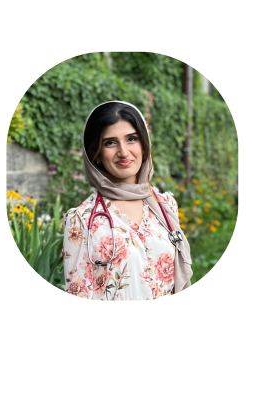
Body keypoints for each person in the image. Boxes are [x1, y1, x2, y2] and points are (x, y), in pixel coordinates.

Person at [63, 101, 192, 300]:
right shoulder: (81, 220)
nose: (123, 152)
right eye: (110, 142)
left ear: (144, 144)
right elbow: (78, 294)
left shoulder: (165, 206)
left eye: (131, 139)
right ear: (96, 153)